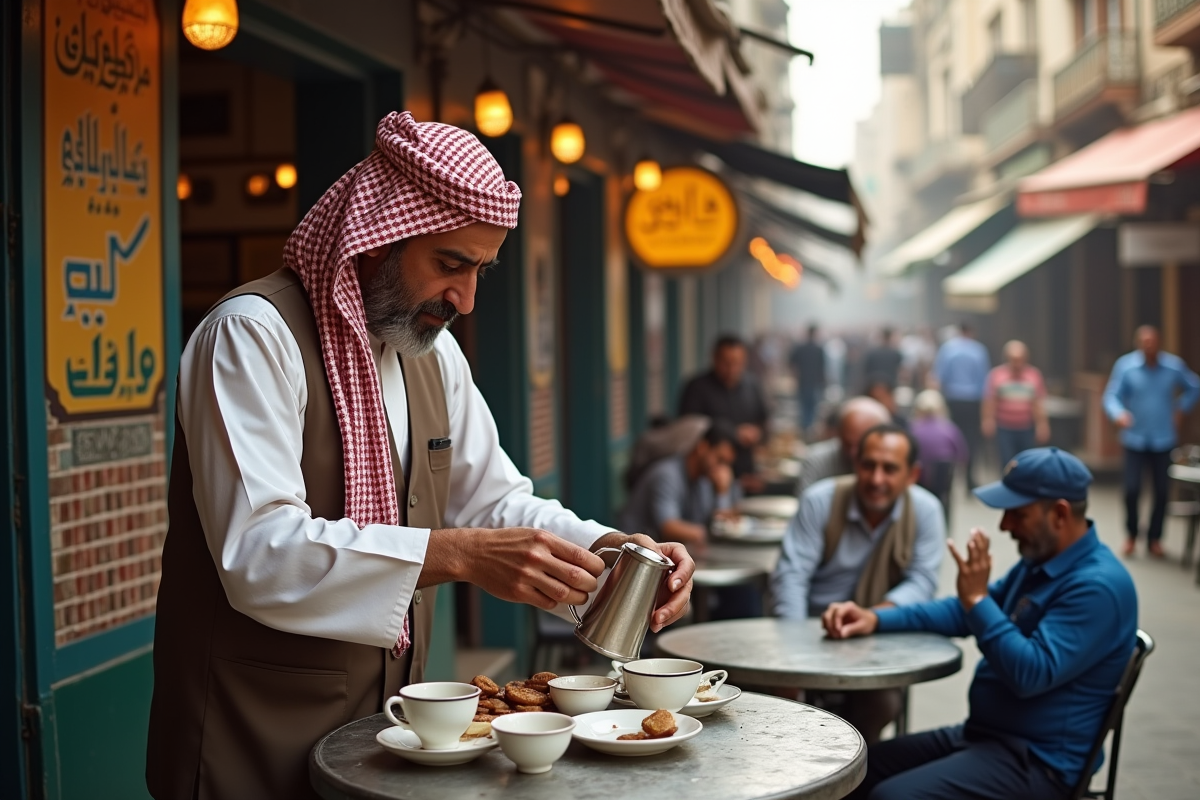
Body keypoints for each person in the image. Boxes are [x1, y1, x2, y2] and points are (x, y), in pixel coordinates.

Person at [146, 112, 695, 800]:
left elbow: (494, 502)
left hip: (392, 730)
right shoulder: (252, 336)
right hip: (247, 734)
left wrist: (612, 549)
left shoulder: (430, 357)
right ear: (374, 240)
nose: (463, 299)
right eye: (449, 265)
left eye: (479, 272)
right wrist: (457, 555)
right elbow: (259, 552)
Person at [830, 446, 1138, 800]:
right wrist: (875, 618)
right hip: (984, 737)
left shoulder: (1098, 588)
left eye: (1016, 514)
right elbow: (963, 611)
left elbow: (1029, 673)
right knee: (851, 769)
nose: (1005, 526)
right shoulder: (1041, 562)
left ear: (1060, 514)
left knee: (892, 796)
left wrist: (978, 599)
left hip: (1037, 762)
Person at [772, 424, 945, 743]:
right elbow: (792, 577)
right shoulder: (820, 501)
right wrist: (790, 656)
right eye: (869, 465)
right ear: (855, 464)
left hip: (879, 638)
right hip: (811, 633)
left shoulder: (926, 511)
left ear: (912, 475)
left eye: (890, 469)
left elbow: (922, 581)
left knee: (881, 705)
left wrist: (874, 617)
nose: (877, 479)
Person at [1104, 325, 1200, 558]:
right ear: (1138, 343)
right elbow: (1111, 396)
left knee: (1161, 491)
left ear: (1159, 343)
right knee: (1132, 489)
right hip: (1134, 438)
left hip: (1163, 438)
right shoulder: (1126, 366)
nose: (1148, 346)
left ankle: (1155, 539)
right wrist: (1119, 414)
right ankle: (1131, 535)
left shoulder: (1172, 366)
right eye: (1144, 342)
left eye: (1152, 342)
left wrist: (1181, 409)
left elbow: (1194, 387)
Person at [620, 419, 739, 553]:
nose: (723, 469)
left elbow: (720, 522)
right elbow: (669, 528)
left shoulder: (704, 479)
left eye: (727, 464)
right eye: (720, 460)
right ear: (703, 447)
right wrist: (709, 532)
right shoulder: (667, 474)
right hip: (632, 554)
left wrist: (722, 493)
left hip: (664, 553)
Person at [679, 334, 770, 485]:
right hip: (707, 476)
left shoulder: (752, 386)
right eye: (726, 363)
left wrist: (757, 433)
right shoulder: (697, 387)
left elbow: (764, 421)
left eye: (737, 363)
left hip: (746, 471)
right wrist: (733, 433)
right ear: (714, 359)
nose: (732, 369)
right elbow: (689, 428)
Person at [933, 323, 990, 489]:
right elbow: (983, 380)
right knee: (971, 440)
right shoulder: (979, 350)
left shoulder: (948, 349)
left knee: (951, 439)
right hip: (972, 401)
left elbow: (939, 376)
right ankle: (969, 480)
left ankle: (949, 478)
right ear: (971, 332)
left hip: (953, 400)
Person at [797, 397, 891, 497]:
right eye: (847, 443)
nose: (853, 452)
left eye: (860, 445)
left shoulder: (893, 463)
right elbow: (807, 506)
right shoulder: (817, 461)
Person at [982, 340, 1049, 471]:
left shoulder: (1034, 375)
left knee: (1027, 463)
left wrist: (1042, 424)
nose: (1017, 363)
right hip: (1004, 428)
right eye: (1013, 359)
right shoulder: (997, 375)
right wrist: (987, 420)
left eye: (1020, 359)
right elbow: (990, 401)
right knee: (1007, 463)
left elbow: (1038, 403)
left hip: (1026, 428)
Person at [909, 390, 967, 521]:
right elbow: (962, 455)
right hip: (943, 480)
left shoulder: (913, 428)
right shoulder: (949, 428)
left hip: (920, 480)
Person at [790, 324, 826, 436]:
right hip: (814, 382)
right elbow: (822, 368)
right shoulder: (819, 349)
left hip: (803, 382)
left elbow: (791, 363)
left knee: (804, 407)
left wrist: (796, 375)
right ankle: (809, 429)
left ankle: (805, 429)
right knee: (812, 407)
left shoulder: (800, 348)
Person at [863, 326, 903, 391]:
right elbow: (900, 371)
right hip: (889, 386)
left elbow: (866, 370)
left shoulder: (872, 353)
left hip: (873, 386)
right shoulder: (896, 353)